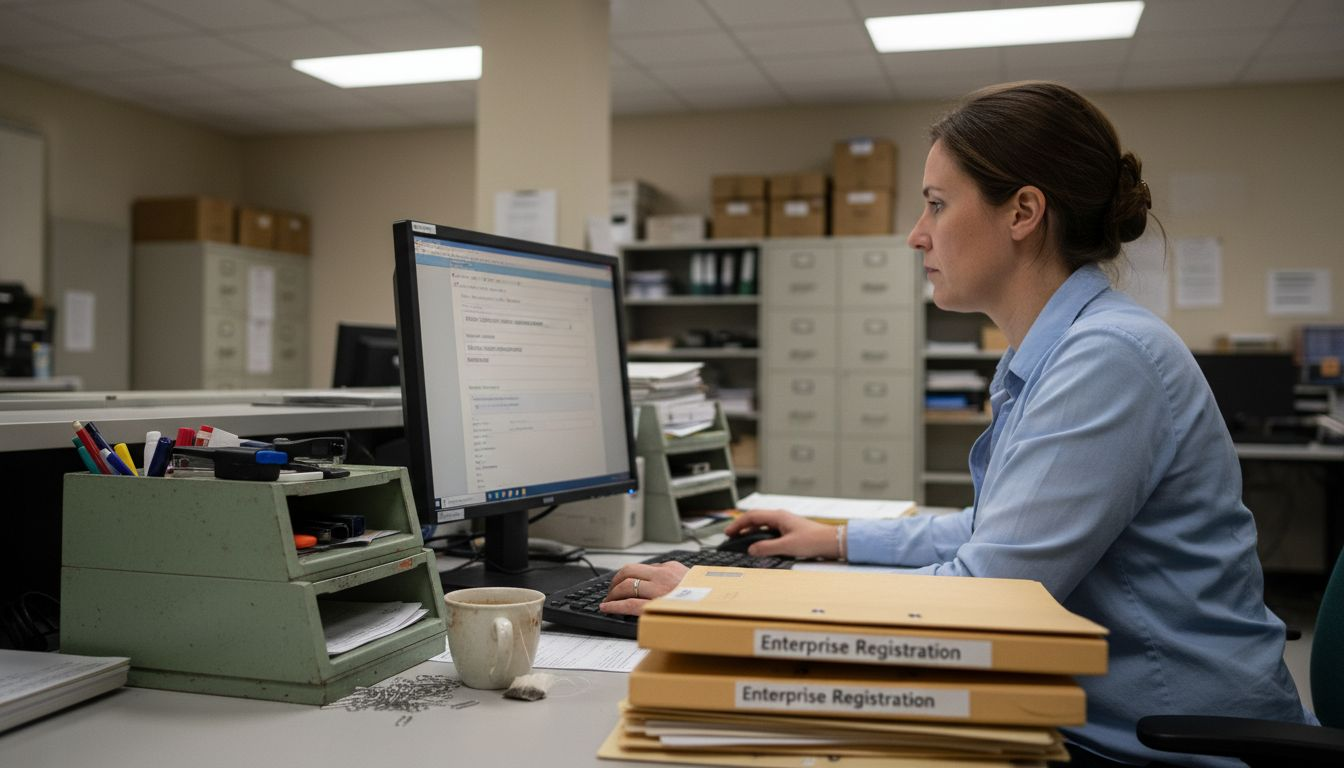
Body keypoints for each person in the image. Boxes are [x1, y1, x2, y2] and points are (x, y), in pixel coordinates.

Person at [600, 81, 1316, 767]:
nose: (917, 236)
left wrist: (720, 597)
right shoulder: (1057, 350)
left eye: (937, 205)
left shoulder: (1108, 357)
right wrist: (834, 539)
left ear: (1022, 212)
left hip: (1167, 743)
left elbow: (986, 591)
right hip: (1106, 717)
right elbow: (996, 531)